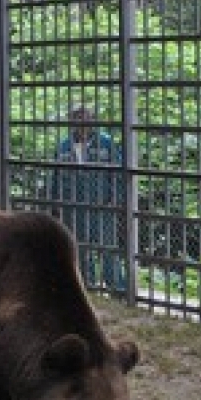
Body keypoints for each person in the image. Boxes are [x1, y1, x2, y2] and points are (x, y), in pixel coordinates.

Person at [50, 105, 126, 294]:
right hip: (73, 207)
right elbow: (56, 177)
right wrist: (56, 204)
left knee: (107, 249)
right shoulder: (63, 147)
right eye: (76, 118)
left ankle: (118, 289)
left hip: (102, 205)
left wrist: (116, 200)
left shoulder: (106, 143)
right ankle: (88, 287)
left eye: (85, 118)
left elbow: (117, 174)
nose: (81, 123)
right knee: (81, 250)